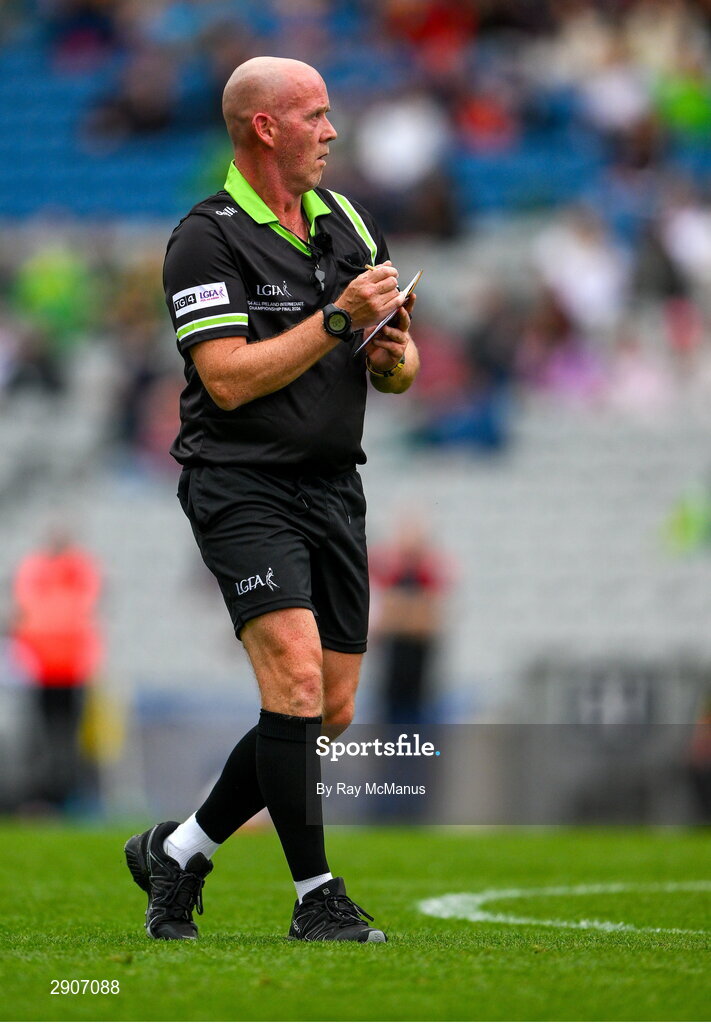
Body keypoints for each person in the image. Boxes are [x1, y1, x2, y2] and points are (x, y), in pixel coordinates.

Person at [124, 55, 419, 943]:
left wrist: (386, 354)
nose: (332, 132)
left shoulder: (343, 220)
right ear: (265, 127)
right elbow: (224, 381)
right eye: (316, 116)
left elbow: (401, 369)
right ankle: (316, 898)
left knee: (325, 707)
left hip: (334, 486)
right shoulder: (203, 238)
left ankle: (177, 852)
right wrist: (332, 321)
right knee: (291, 678)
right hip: (241, 483)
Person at [11, 529, 102, 810]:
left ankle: (67, 797)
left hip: (69, 669)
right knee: (45, 737)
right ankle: (43, 797)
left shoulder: (76, 569)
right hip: (43, 669)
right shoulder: (38, 569)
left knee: (67, 739)